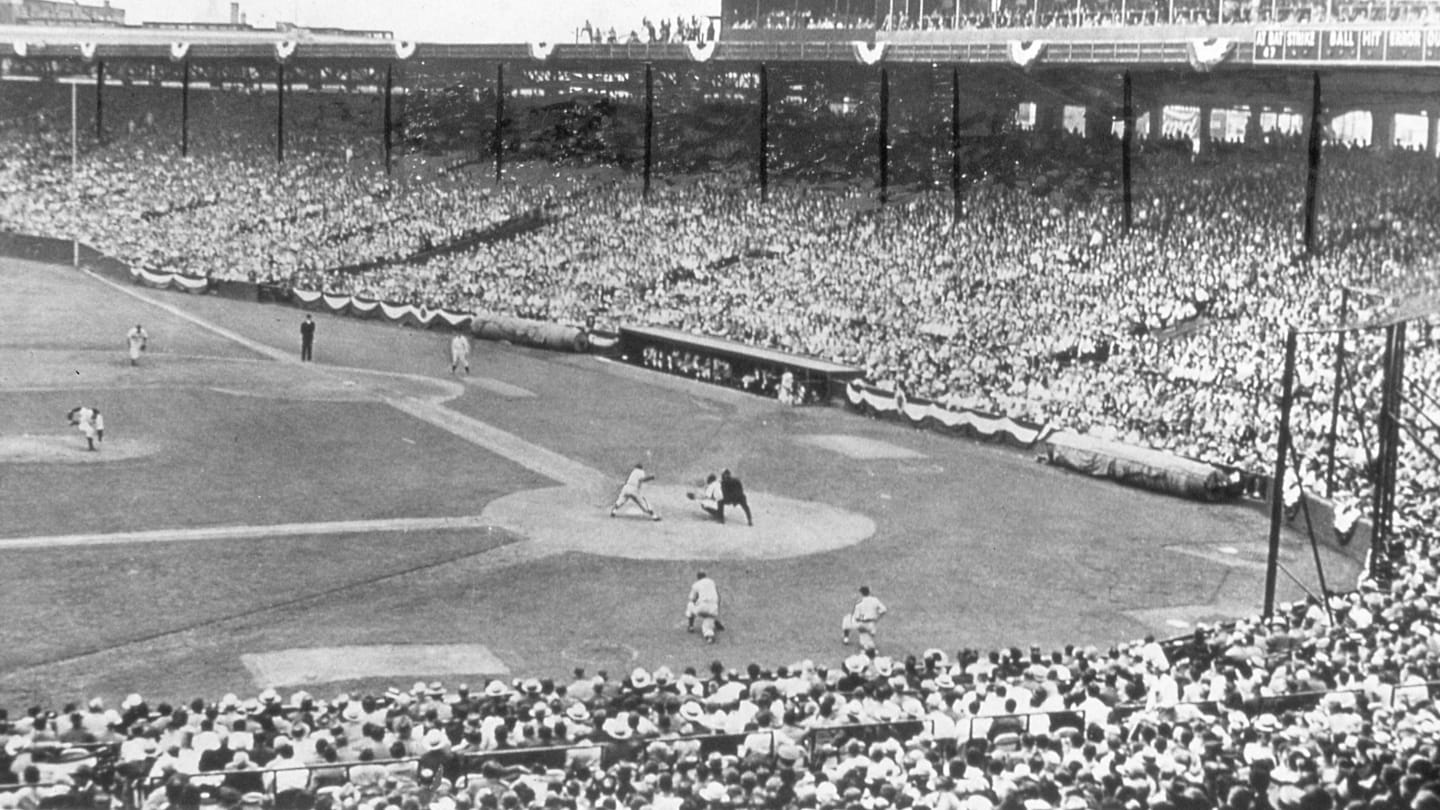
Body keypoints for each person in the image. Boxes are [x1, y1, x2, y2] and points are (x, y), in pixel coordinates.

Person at [843, 585, 888, 652]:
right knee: (866, 640)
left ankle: (846, 638)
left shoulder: (859, 602)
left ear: (861, 593)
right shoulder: (874, 600)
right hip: (872, 624)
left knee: (847, 619)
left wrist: (860, 619)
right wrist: (877, 618)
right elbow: (884, 610)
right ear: (869, 592)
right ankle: (871, 632)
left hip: (862, 625)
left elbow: (856, 617)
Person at [685, 571, 724, 643]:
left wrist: (697, 601)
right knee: (707, 626)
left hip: (702, 608)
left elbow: (692, 599)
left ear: (698, 577)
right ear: (705, 576)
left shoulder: (696, 584)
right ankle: (709, 637)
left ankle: (691, 626)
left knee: (690, 605)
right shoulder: (712, 582)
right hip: (713, 609)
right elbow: (719, 597)